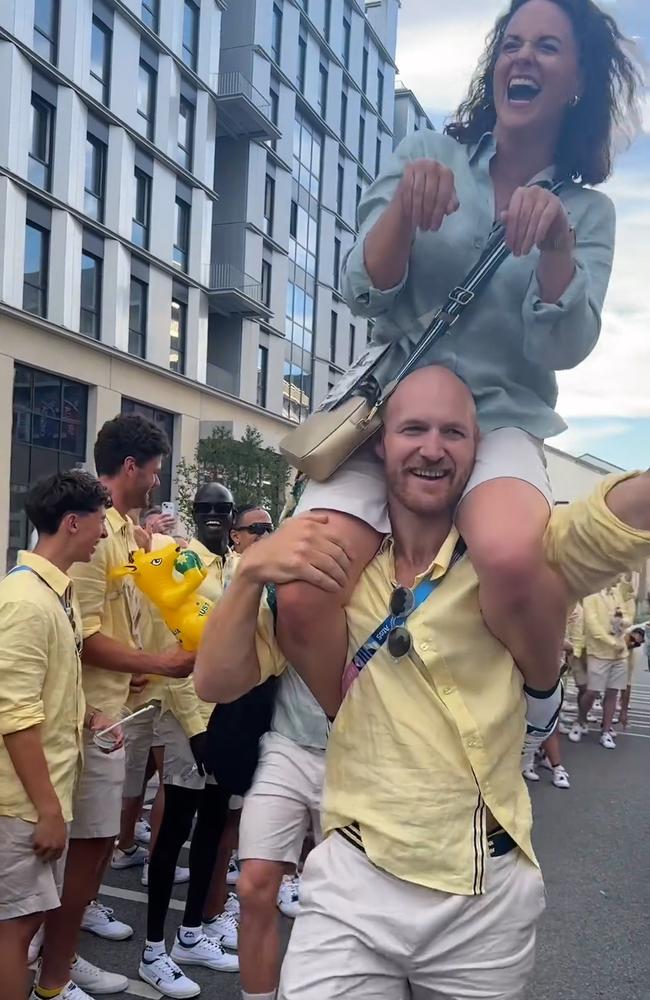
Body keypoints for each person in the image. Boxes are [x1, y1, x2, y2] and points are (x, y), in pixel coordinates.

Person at [194, 364, 650, 1000]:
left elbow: (611, 520)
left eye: (453, 432)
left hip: (483, 900)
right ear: (382, 442)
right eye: (414, 429)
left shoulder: (513, 567)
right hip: (351, 882)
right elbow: (214, 681)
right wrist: (247, 578)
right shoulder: (331, 575)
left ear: (477, 447)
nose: (432, 449)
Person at [276, 0, 642, 733]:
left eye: (547, 47)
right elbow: (360, 290)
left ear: (577, 81)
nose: (523, 58)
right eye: (512, 44)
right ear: (494, 66)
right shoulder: (426, 151)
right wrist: (402, 216)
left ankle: (541, 698)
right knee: (300, 588)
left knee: (510, 556)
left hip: (501, 410)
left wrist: (560, 253)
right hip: (397, 409)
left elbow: (563, 349)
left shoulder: (590, 213)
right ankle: (355, 731)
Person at [33, 415, 194, 1000]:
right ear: (130, 467)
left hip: (114, 713)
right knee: (82, 848)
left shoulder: (121, 529)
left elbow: (119, 613)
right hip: (87, 718)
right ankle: (53, 971)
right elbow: (83, 635)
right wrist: (157, 664)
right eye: (152, 473)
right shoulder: (91, 537)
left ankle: (60, 953)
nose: (155, 483)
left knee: (96, 847)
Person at [0, 472, 110, 1000]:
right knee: (16, 930)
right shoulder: (25, 600)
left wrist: (89, 716)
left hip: (43, 795)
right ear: (72, 522)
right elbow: (15, 715)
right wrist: (45, 809)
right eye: (98, 524)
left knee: (26, 920)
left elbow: (46, 690)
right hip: (22, 803)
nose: (104, 536)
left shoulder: (52, 593)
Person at [139, 482, 239, 997]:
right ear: (194, 515)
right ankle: (153, 950)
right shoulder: (180, 562)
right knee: (175, 828)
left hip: (228, 717)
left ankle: (192, 934)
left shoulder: (234, 566)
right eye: (205, 510)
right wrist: (199, 729)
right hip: (188, 719)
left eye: (223, 510)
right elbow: (170, 652)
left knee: (213, 828)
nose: (214, 517)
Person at [232, 508, 330, 1000]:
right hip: (288, 743)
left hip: (359, 755)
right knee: (253, 886)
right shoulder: (285, 588)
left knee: (343, 900)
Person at [581, 580, 632, 749]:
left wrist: (624, 622)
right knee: (592, 691)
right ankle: (580, 720)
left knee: (613, 692)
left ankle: (606, 730)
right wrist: (611, 642)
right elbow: (591, 624)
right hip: (599, 652)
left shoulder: (617, 593)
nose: (619, 578)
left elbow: (626, 614)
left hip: (620, 653)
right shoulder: (590, 594)